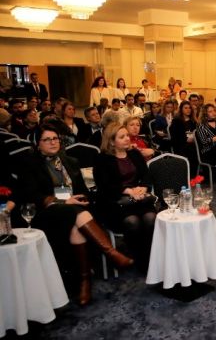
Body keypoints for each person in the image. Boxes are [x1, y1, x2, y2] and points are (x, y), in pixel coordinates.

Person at [10, 125, 133, 305]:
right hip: (46, 213)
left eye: (55, 138)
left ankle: (85, 282)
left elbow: (83, 190)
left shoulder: (70, 161)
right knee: (74, 211)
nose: (53, 142)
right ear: (38, 144)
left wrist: (82, 198)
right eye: (47, 139)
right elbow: (31, 194)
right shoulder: (30, 164)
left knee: (76, 222)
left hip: (74, 211)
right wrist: (63, 201)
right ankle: (111, 253)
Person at [93, 123, 156, 271]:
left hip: (139, 199)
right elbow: (104, 186)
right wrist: (128, 191)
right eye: (122, 137)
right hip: (115, 203)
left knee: (151, 218)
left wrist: (143, 187)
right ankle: (141, 260)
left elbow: (147, 175)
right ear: (111, 141)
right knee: (132, 221)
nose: (127, 138)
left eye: (127, 135)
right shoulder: (102, 159)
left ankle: (152, 256)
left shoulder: (134, 154)